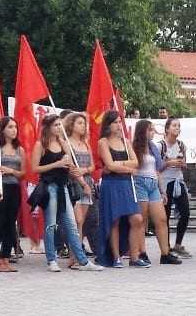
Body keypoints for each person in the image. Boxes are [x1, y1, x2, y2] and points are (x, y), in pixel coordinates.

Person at [32, 114, 104, 272]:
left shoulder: (63, 144)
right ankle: (51, 259)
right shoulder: (41, 145)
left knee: (72, 225)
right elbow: (35, 168)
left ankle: (83, 261)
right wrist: (56, 163)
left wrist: (83, 183)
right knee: (50, 224)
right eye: (56, 125)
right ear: (48, 127)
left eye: (60, 125)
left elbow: (71, 168)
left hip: (63, 186)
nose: (59, 128)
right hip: (49, 186)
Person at [96, 110, 147, 268]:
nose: (119, 125)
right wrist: (128, 167)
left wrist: (120, 166)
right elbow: (109, 165)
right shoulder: (103, 142)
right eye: (116, 122)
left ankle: (134, 256)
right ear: (108, 124)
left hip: (126, 184)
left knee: (136, 219)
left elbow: (136, 162)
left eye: (120, 122)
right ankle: (116, 257)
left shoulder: (126, 142)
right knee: (114, 220)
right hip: (111, 184)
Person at [133, 120, 181, 265]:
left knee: (161, 219)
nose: (153, 132)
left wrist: (163, 191)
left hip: (153, 183)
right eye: (150, 130)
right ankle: (142, 252)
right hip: (139, 182)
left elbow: (158, 169)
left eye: (153, 130)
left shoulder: (153, 146)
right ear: (143, 131)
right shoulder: (135, 146)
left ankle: (165, 253)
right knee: (142, 220)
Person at [0, 116, 24, 273]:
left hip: (14, 188)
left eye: (15, 127)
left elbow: (24, 173)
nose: (14, 130)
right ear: (2, 130)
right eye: (10, 127)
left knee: (10, 224)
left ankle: (7, 257)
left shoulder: (19, 149)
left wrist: (11, 171)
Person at [63, 112, 100, 266]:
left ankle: (75, 256)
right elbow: (70, 167)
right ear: (71, 125)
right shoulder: (67, 144)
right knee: (76, 221)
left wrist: (85, 172)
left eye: (84, 123)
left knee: (81, 222)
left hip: (87, 182)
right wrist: (82, 182)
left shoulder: (86, 144)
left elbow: (92, 165)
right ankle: (75, 255)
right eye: (79, 123)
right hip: (74, 185)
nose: (83, 126)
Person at [158, 117, 192, 258]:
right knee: (164, 216)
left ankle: (178, 244)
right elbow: (157, 166)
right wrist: (170, 162)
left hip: (178, 181)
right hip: (165, 182)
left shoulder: (181, 145)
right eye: (174, 126)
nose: (177, 128)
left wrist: (181, 163)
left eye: (178, 126)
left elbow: (185, 164)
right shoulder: (160, 146)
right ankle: (166, 246)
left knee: (185, 212)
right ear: (167, 129)